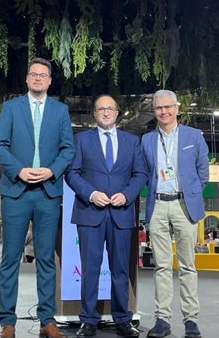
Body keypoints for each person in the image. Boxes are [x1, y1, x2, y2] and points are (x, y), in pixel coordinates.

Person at [0, 57, 75, 338]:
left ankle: (47, 320)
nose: (38, 78)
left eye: (43, 75)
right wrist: (20, 170)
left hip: (47, 192)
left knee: (46, 259)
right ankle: (8, 322)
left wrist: (51, 171)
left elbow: (68, 150)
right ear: (27, 79)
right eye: (33, 74)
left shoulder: (60, 110)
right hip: (16, 191)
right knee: (10, 258)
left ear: (50, 81)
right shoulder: (11, 108)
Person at [65, 94, 147, 338]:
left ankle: (123, 319)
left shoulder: (132, 141)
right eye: (101, 109)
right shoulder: (81, 140)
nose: (105, 112)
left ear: (118, 113)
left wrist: (127, 195)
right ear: (94, 114)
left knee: (121, 269)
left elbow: (141, 173)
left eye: (110, 108)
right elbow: (71, 173)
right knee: (90, 269)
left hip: (121, 213)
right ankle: (88, 320)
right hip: (90, 213)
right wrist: (91, 194)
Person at [141, 90, 208, 338]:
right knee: (161, 266)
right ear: (154, 111)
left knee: (188, 266)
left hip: (184, 206)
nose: (163, 112)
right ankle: (163, 319)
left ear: (177, 108)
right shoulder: (147, 140)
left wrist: (190, 194)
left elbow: (203, 172)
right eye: (159, 108)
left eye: (168, 107)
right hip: (157, 205)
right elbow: (143, 172)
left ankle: (191, 320)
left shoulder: (194, 136)